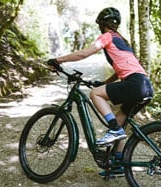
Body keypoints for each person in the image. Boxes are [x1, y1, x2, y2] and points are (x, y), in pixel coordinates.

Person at [47, 7, 154, 176]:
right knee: (120, 120)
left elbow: (83, 54)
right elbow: (122, 69)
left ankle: (113, 129)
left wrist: (58, 60)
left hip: (134, 84)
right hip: (145, 85)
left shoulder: (107, 36)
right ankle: (118, 163)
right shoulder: (123, 42)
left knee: (95, 94)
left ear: (102, 23)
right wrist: (104, 82)